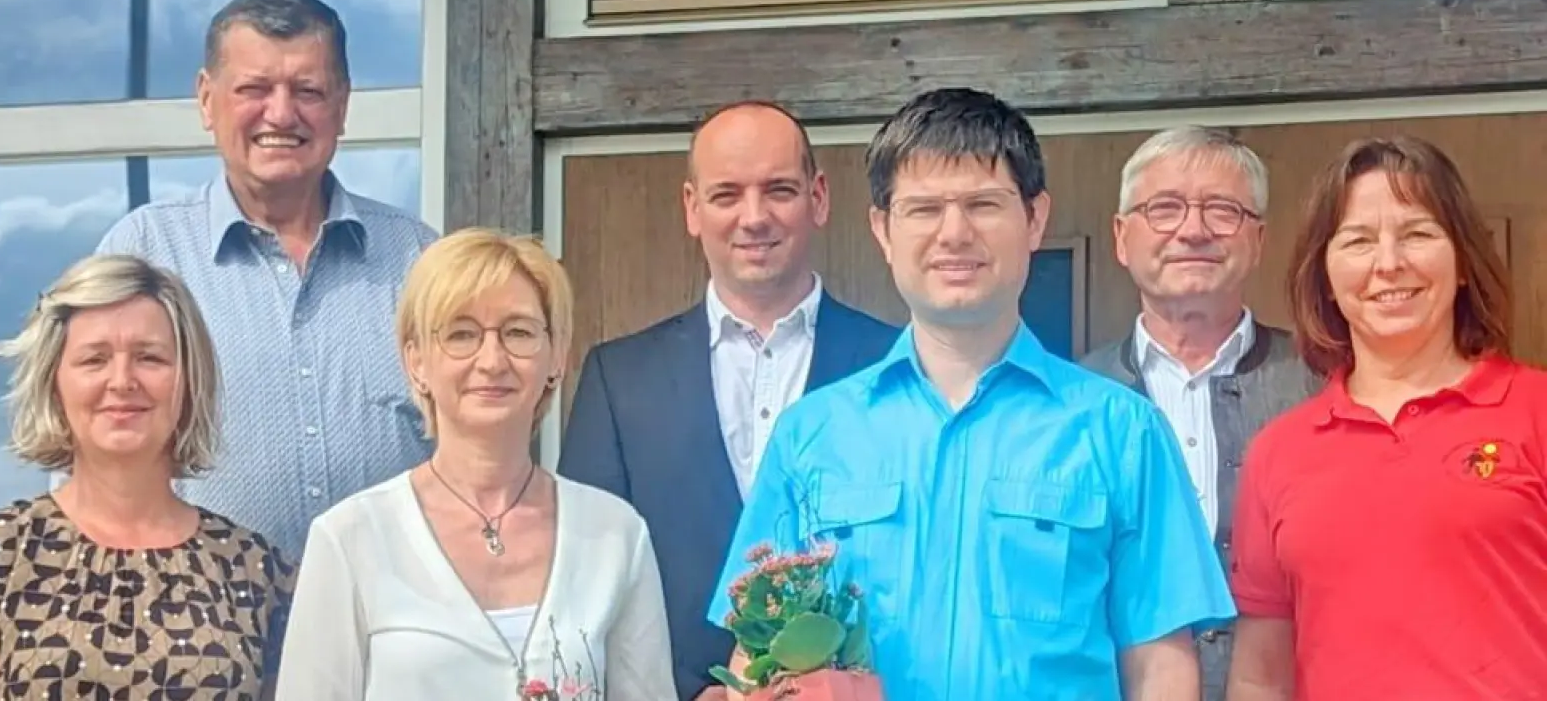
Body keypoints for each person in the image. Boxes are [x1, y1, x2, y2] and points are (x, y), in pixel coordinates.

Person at [709, 88, 1234, 699]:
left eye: (984, 204)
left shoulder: (1122, 431)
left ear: (1034, 219)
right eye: (924, 209)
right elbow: (755, 656)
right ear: (882, 228)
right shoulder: (811, 435)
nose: (954, 235)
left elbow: (1159, 666)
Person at [558, 101, 897, 700]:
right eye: (726, 195)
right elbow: (588, 583)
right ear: (692, 208)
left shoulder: (895, 366)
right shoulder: (620, 379)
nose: (754, 217)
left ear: (818, 197)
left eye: (780, 190)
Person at [94, 0, 438, 559]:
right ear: (207, 100)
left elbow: (481, 447)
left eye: (307, 90)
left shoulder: (419, 262)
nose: (281, 114)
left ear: (343, 105)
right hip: (198, 629)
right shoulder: (144, 255)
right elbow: (88, 459)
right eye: (253, 88)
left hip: (392, 629)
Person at [274, 228, 677, 701]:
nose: (492, 359)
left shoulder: (616, 535)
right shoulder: (349, 540)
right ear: (416, 361)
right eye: (462, 334)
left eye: (518, 332)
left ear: (556, 357)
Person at [1226, 136, 1547, 699]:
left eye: (1418, 233)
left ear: (1465, 260)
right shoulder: (1279, 451)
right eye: (1357, 240)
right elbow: (1261, 676)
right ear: (1325, 274)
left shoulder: (1535, 410)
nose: (1389, 263)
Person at [0, 254, 294, 699]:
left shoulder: (256, 572)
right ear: (56, 383)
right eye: (94, 360)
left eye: (149, 358)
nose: (122, 380)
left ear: (188, 382)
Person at [1078, 127, 1317, 699]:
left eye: (1223, 211)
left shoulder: (1327, 385)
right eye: (1164, 209)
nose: (1192, 230)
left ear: (1258, 239)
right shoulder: (1069, 401)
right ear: (1121, 237)